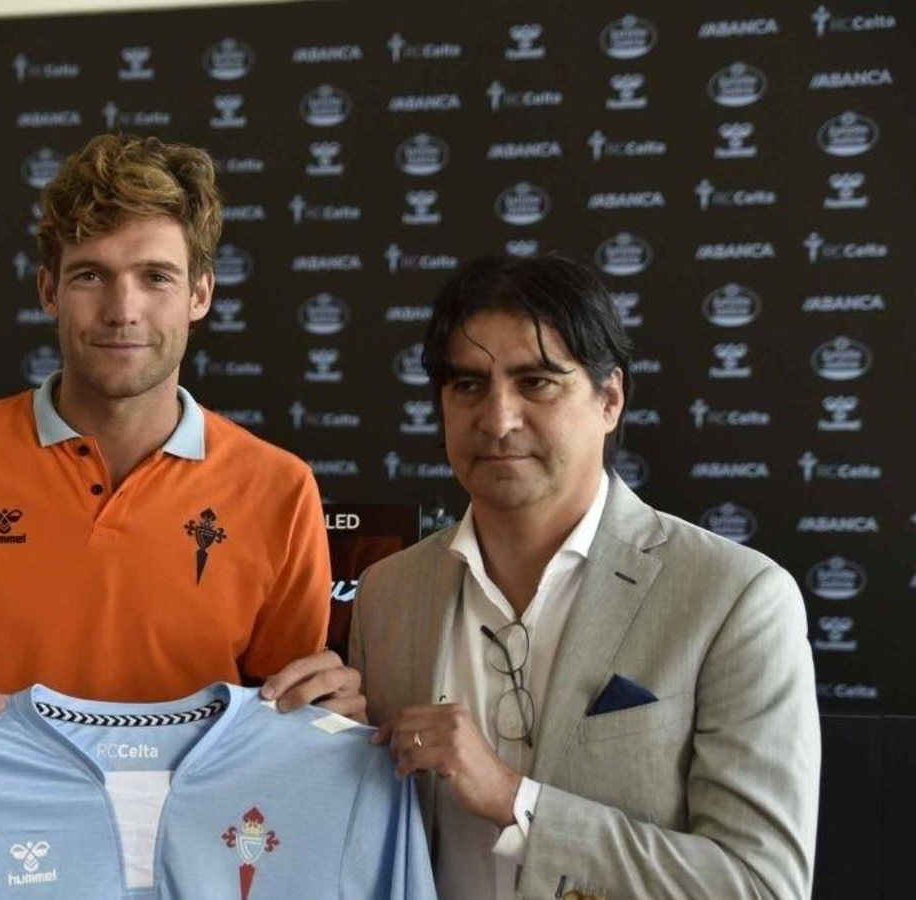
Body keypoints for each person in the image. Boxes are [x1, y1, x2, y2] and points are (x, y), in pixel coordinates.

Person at [0, 133, 360, 723]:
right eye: (90, 276)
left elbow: (284, 727)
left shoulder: (279, 488)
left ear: (200, 295)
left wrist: (334, 721)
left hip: (191, 817)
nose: (122, 310)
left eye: (156, 277)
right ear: (49, 291)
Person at [349, 255, 818, 900]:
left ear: (610, 398)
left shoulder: (736, 597)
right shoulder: (386, 593)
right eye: (468, 385)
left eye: (537, 382)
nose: (498, 418)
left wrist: (519, 803)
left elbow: (763, 886)